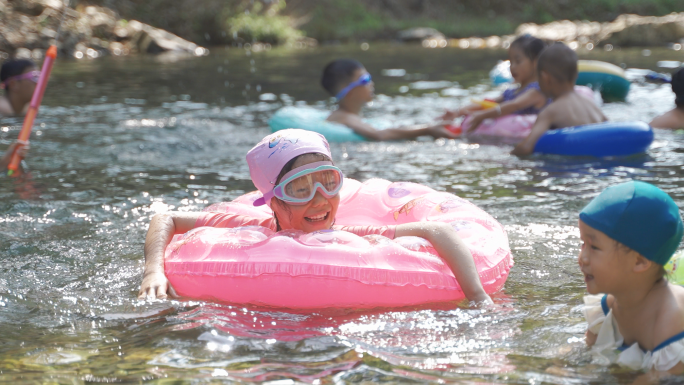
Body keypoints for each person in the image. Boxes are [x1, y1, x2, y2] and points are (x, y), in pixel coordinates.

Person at [139, 129, 492, 304]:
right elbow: (165, 218)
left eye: (328, 183)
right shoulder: (251, 225)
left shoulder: (353, 234)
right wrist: (154, 269)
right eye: (300, 189)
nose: (320, 200)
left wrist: (477, 295)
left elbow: (434, 228)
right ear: (273, 202)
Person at [580, 181, 684, 376]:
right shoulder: (607, 310)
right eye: (582, 244)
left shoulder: (670, 323)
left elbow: (659, 379)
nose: (582, 258)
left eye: (594, 247)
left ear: (639, 261)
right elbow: (586, 357)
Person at [321, 59, 457, 141]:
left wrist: (436, 123)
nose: (371, 83)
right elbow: (379, 135)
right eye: (365, 80)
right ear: (348, 90)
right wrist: (427, 130)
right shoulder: (344, 118)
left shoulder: (349, 116)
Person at [511, 43, 606, 156]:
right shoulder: (591, 104)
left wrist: (510, 155)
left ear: (545, 78)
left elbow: (526, 147)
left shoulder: (550, 112)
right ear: (576, 75)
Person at [441, 35, 549, 133]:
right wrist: (457, 112)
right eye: (511, 62)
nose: (512, 67)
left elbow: (514, 105)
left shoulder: (537, 90)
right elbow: (488, 103)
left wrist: (482, 115)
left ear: (536, 63)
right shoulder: (512, 92)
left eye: (518, 61)